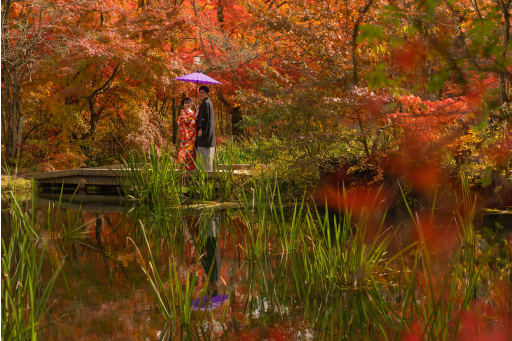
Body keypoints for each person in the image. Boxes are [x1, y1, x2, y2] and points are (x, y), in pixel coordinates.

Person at [196, 85, 216, 171]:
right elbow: (202, 116)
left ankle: (204, 175)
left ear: (207, 93)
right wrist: (198, 110)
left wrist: (201, 129)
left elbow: (205, 119)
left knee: (204, 157)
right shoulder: (208, 103)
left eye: (203, 93)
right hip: (209, 134)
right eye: (200, 92)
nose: (201, 94)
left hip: (205, 134)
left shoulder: (206, 103)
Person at [177, 97, 197, 170]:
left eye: (189, 102)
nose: (188, 104)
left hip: (193, 135)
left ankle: (190, 167)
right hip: (185, 135)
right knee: (184, 150)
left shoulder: (194, 112)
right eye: (186, 103)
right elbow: (185, 122)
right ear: (183, 104)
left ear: (191, 104)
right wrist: (192, 119)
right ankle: (183, 168)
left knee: (191, 150)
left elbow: (195, 122)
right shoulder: (182, 113)